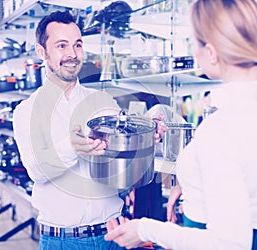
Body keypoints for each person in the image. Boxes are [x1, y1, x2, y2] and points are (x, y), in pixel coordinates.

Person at [104, 0, 257, 249]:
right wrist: (195, 185)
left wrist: (144, 229)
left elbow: (228, 244)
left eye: (195, 41)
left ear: (210, 53)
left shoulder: (220, 130)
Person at [12, 10, 127, 249]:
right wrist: (73, 146)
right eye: (61, 46)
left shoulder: (103, 102)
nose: (72, 54)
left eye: (77, 45)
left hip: (114, 235)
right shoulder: (27, 111)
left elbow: (124, 156)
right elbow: (37, 170)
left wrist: (149, 136)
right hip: (63, 241)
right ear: (41, 51)